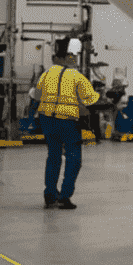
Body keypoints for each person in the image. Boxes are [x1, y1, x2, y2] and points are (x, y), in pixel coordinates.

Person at [34, 39, 96, 210]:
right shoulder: (76, 76)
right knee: (73, 159)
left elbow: (37, 96)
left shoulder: (46, 74)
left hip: (47, 120)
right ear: (67, 58)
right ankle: (65, 196)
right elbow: (92, 100)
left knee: (53, 156)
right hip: (68, 122)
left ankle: (50, 195)